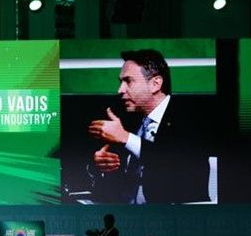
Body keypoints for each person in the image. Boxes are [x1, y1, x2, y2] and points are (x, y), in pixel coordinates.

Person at [88, 49, 212, 204]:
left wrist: (126, 138)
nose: (120, 90)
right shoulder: (129, 121)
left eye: (128, 81)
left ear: (155, 84)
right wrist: (101, 165)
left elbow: (174, 164)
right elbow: (119, 186)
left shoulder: (190, 118)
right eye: (121, 82)